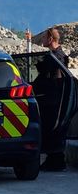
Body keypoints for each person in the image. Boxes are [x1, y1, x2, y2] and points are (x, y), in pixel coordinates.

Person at [39, 27, 69, 171]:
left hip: (55, 100)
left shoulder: (57, 57)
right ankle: (53, 159)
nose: (42, 40)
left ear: (50, 39)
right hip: (53, 99)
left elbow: (54, 78)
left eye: (44, 38)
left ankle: (56, 160)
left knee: (54, 129)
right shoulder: (56, 55)